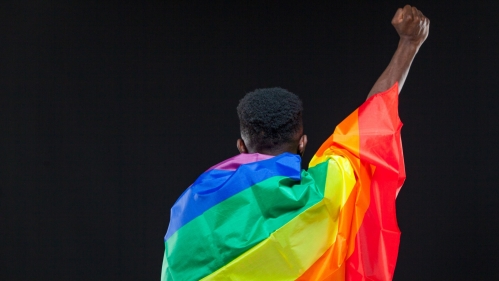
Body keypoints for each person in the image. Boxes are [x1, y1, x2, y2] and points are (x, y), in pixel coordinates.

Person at [161, 5, 429, 281]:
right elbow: (371, 123)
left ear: (241, 146)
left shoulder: (195, 204)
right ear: (302, 143)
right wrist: (409, 44)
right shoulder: (326, 192)